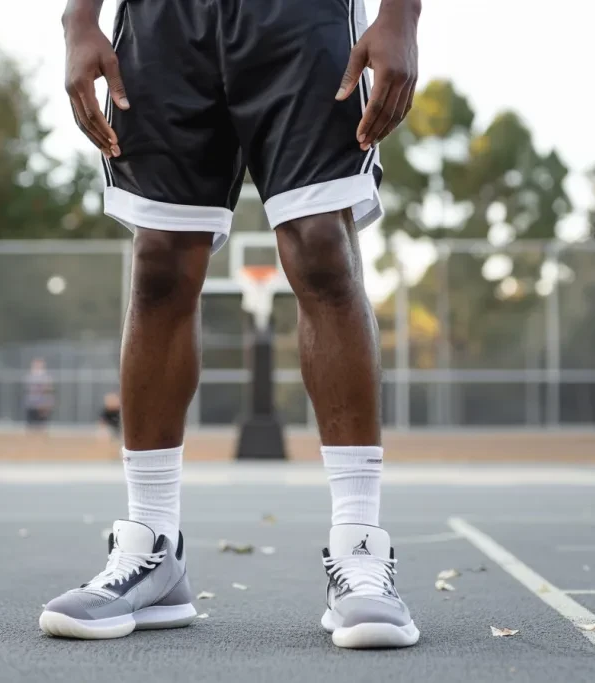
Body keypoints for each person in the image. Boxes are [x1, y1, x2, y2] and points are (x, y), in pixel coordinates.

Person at [41, 0, 421, 649]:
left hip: (300, 18)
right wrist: (79, 19)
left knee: (320, 247)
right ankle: (153, 544)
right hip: (164, 23)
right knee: (160, 260)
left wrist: (402, 16)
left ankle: (359, 547)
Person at [23, 358, 55, 430]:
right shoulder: (30, 377)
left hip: (42, 405)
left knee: (41, 426)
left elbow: (48, 392)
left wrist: (47, 404)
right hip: (31, 404)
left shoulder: (46, 378)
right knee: (31, 426)